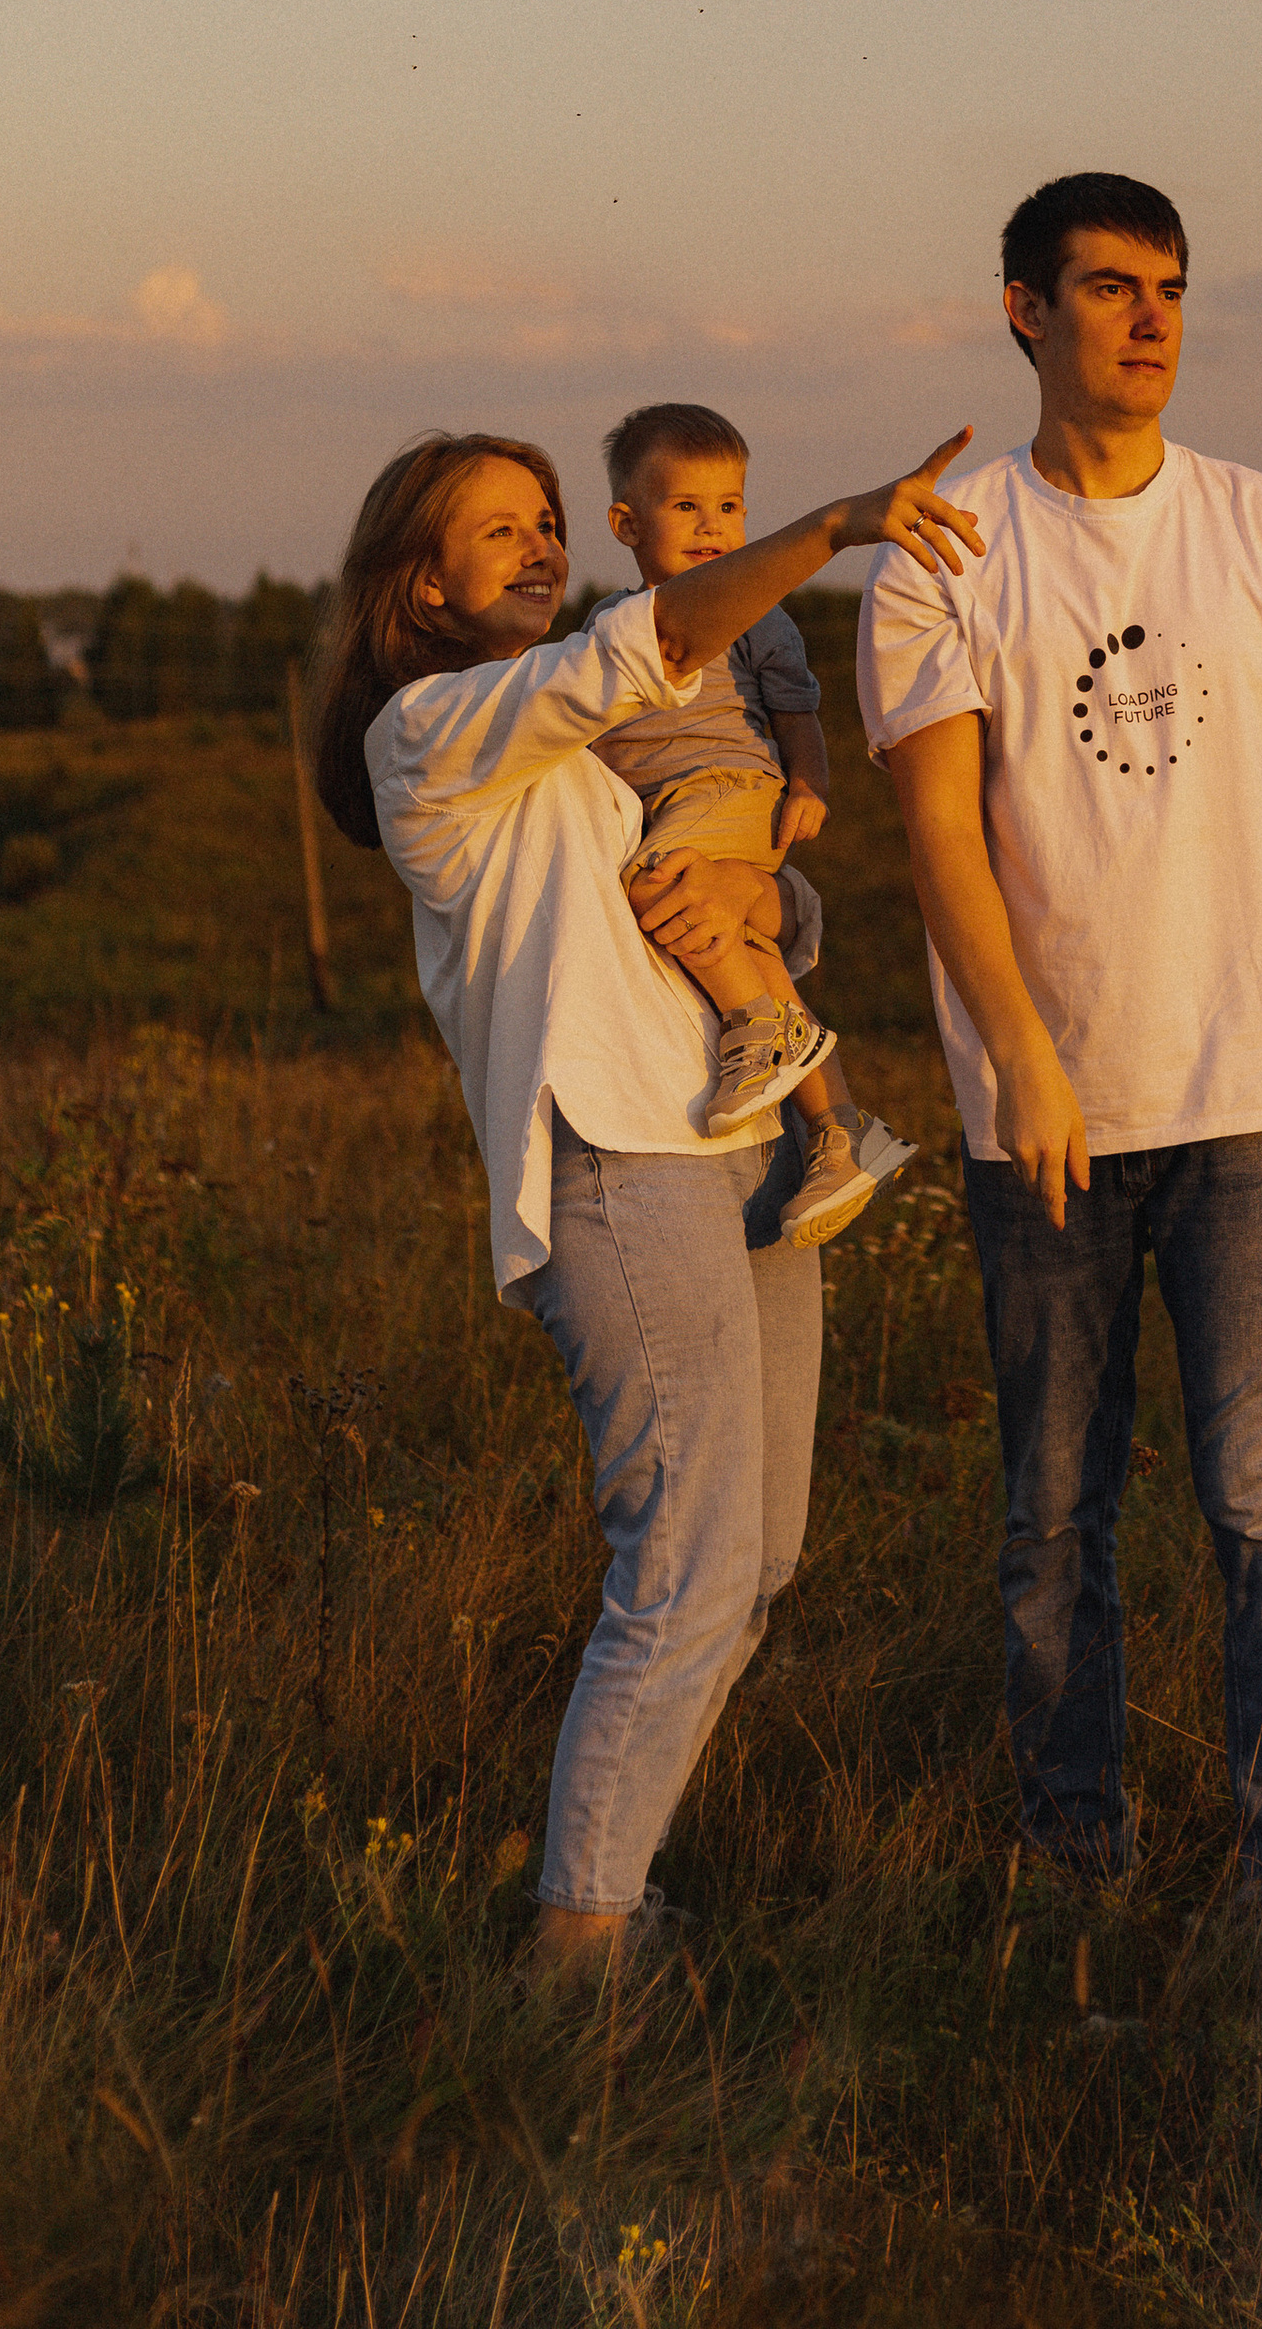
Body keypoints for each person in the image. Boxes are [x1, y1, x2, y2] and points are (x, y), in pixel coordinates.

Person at [309, 417, 980, 1995]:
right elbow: (642, 645)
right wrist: (830, 525)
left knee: (755, 1562)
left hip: (736, 1151)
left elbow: (735, 904)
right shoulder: (434, 732)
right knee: (680, 1569)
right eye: (498, 533)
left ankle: (614, 1896)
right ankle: (577, 1964)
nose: (542, 547)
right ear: (418, 586)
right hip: (613, 1162)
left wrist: (768, 891)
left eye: (549, 522)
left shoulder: (590, 753)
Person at [856, 172, 1262, 1939]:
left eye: (1171, 286)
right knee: (1051, 1521)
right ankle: (1074, 1866)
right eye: (1110, 288)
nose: (1152, 318)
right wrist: (1021, 1057)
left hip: (1256, 1098)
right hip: (1047, 1120)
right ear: (1024, 309)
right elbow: (940, 835)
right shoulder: (946, 546)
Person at [592, 398, 913, 1249]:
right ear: (626, 523)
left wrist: (809, 784)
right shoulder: (606, 629)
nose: (713, 527)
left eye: (730, 507)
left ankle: (764, 1031)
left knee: (663, 890)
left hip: (732, 786)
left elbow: (799, 713)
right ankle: (839, 1135)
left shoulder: (757, 614)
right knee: (746, 941)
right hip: (675, 805)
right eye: (686, 506)